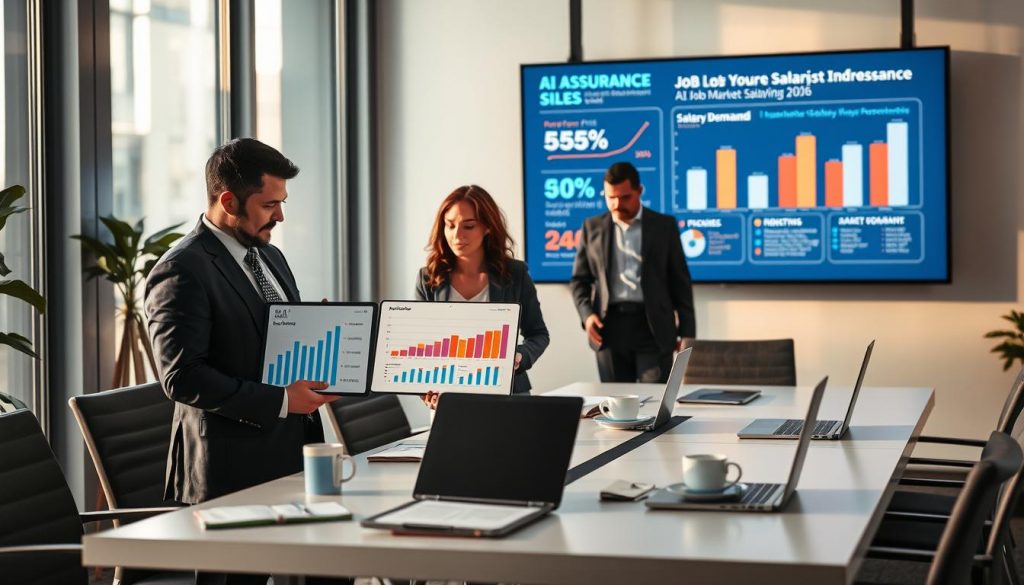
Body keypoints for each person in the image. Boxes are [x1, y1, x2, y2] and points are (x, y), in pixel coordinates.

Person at [145, 138, 340, 585]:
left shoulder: (270, 256)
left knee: (332, 572)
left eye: (282, 202)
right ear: (228, 200)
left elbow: (263, 341)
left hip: (292, 457)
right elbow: (183, 376)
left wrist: (317, 334)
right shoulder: (183, 269)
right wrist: (281, 400)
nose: (281, 216)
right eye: (270, 204)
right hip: (232, 474)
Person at [416, 185, 549, 407]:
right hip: (450, 398)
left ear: (487, 227)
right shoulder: (428, 278)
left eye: (468, 226)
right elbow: (417, 345)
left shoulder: (515, 274)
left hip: (509, 395)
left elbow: (538, 334)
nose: (457, 235)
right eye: (450, 226)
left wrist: (519, 356)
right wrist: (425, 389)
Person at [570, 161, 696, 383]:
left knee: (655, 402)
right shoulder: (592, 227)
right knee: (616, 404)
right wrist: (587, 316)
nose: (617, 204)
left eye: (625, 197)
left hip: (653, 327)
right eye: (611, 198)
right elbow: (580, 280)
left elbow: (680, 282)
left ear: (639, 191)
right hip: (608, 328)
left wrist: (687, 332)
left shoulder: (663, 226)